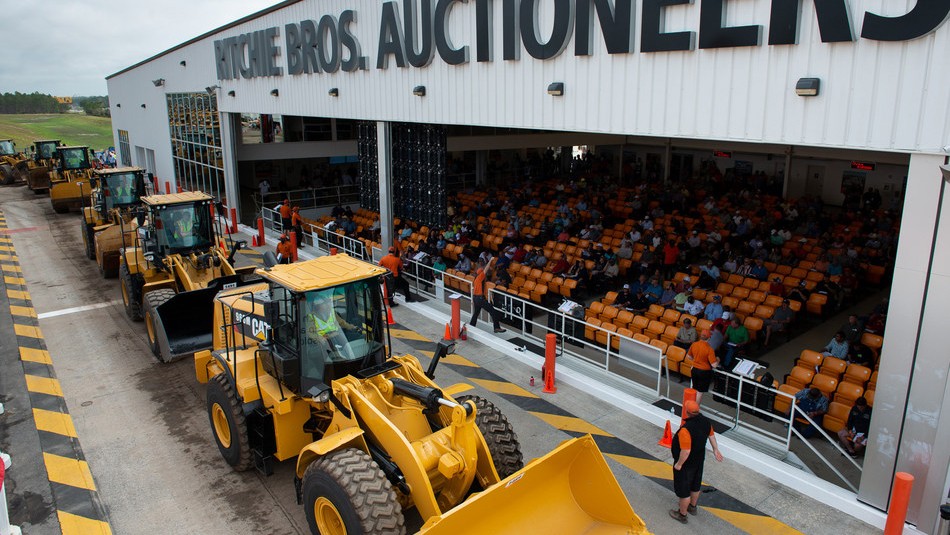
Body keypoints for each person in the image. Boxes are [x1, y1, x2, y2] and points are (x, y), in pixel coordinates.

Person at [669, 400, 724, 524]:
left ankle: (682, 514)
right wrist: (716, 449)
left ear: (687, 412)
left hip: (686, 464)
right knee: (695, 485)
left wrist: (679, 464)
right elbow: (712, 436)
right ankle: (692, 507)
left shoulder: (686, 430)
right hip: (699, 460)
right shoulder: (706, 422)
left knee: (684, 489)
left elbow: (686, 451)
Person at [470, 258, 506, 333]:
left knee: (476, 313)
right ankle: (497, 327)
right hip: (479, 299)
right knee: (493, 311)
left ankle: (471, 326)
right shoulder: (480, 277)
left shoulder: (476, 279)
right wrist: (490, 260)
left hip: (476, 298)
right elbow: (485, 269)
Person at [685, 331, 719, 403]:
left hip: (694, 369)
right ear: (709, 338)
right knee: (699, 392)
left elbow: (689, 356)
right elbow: (714, 365)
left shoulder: (694, 344)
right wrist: (718, 360)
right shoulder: (709, 349)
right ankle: (695, 409)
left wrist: (696, 360)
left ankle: (691, 406)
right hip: (704, 372)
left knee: (694, 389)